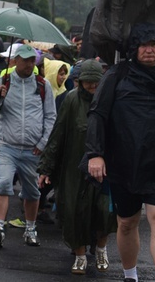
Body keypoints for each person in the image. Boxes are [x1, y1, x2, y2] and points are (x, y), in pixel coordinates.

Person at [86, 22, 155, 282]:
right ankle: (131, 276)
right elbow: (97, 114)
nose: (148, 50)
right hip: (124, 162)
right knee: (127, 223)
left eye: (153, 44)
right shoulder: (117, 75)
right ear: (133, 49)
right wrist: (95, 154)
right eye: (142, 45)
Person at [38, 59, 116, 275]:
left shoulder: (110, 99)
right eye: (88, 82)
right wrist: (46, 167)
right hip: (73, 168)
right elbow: (58, 135)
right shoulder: (71, 100)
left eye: (96, 82)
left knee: (104, 211)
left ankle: (101, 248)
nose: (92, 86)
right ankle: (80, 256)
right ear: (80, 82)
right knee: (74, 212)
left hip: (104, 169)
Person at [0, 44, 57, 248]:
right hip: (7, 145)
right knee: (4, 183)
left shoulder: (42, 85)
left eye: (33, 60)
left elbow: (51, 116)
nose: (29, 64)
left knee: (33, 192)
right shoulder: (3, 81)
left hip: (33, 149)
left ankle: (30, 228)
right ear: (15, 60)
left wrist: (42, 143)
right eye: (25, 60)